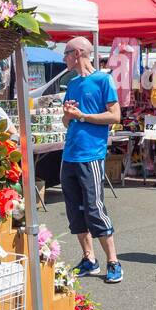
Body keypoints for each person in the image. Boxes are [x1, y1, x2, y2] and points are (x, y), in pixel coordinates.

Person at [61, 36, 123, 283]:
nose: (63, 58)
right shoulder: (72, 84)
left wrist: (83, 116)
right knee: (74, 210)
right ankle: (89, 259)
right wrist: (69, 115)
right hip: (70, 154)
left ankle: (113, 261)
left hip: (91, 154)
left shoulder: (103, 79)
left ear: (78, 53)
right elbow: (67, 122)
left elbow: (115, 115)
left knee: (95, 208)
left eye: (66, 53)